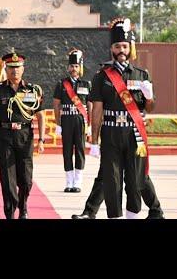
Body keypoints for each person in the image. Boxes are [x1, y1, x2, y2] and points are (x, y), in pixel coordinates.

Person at [87, 17, 161, 219]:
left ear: (130, 48)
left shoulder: (141, 75)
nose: (121, 50)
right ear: (112, 48)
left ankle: (134, 215)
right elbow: (97, 110)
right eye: (117, 46)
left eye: (125, 46)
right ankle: (115, 217)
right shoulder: (101, 77)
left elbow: (150, 107)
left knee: (136, 179)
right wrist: (94, 140)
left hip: (134, 133)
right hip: (110, 132)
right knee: (112, 180)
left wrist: (149, 96)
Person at [0, 53, 45, 219]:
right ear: (5, 69)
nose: (14, 71)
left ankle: (23, 204)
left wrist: (41, 139)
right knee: (7, 177)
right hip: (5, 136)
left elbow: (40, 115)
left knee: (26, 179)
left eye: (17, 68)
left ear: (23, 69)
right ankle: (10, 212)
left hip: (25, 136)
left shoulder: (32, 90)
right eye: (11, 68)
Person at [53, 49, 91, 193]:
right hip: (67, 119)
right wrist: (58, 124)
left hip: (81, 120)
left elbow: (90, 105)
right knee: (67, 150)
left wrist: (90, 125)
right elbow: (56, 105)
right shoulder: (61, 84)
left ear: (80, 67)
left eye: (76, 66)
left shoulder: (86, 84)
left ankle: (78, 181)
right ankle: (69, 181)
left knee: (80, 150)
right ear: (68, 67)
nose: (73, 69)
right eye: (71, 66)